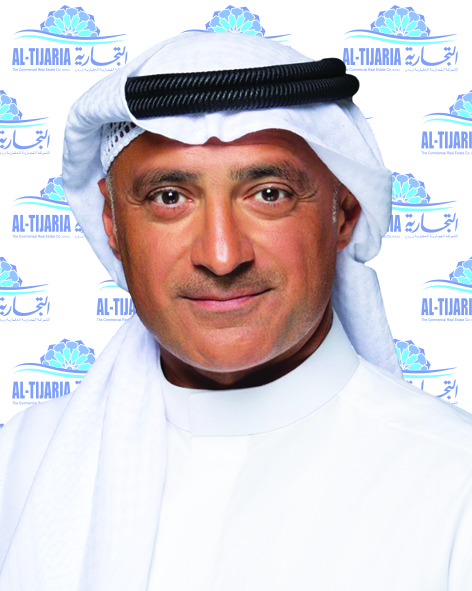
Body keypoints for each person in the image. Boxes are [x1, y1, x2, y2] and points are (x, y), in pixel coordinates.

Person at [1, 31, 472, 591]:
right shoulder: (19, 463)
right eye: (169, 197)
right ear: (112, 224)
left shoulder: (454, 481)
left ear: (343, 213)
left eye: (269, 194)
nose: (222, 256)